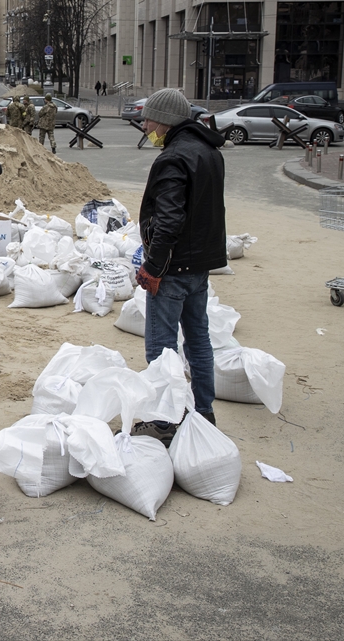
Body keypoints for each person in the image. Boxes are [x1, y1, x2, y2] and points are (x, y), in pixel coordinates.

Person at [131, 88, 228, 445]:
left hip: (172, 269)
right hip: (200, 266)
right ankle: (204, 412)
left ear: (166, 120)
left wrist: (153, 267)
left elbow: (169, 220)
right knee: (199, 340)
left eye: (148, 119)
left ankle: (164, 421)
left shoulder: (173, 158)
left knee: (161, 350)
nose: (144, 126)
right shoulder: (209, 152)